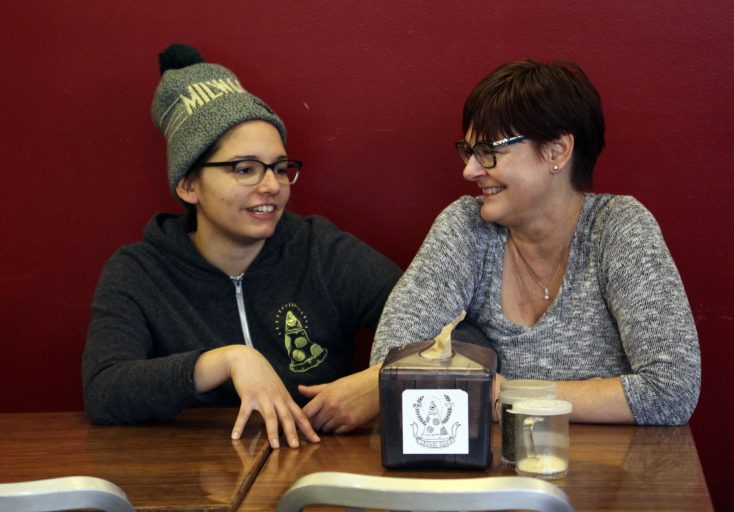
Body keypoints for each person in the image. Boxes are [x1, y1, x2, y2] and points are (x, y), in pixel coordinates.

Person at [82, 44, 401, 448]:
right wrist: (227, 360)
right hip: (194, 483)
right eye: (244, 169)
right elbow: (104, 390)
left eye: (280, 168)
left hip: (317, 474)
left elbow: (454, 336)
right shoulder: (137, 270)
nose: (271, 186)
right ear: (188, 184)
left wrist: (381, 383)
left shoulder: (322, 251)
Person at [370, 60, 700, 425]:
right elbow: (387, 367)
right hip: (498, 477)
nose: (470, 171)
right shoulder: (467, 227)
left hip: (613, 476)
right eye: (469, 151)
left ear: (556, 152)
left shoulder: (616, 229)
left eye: (488, 151)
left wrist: (501, 394)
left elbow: (672, 391)